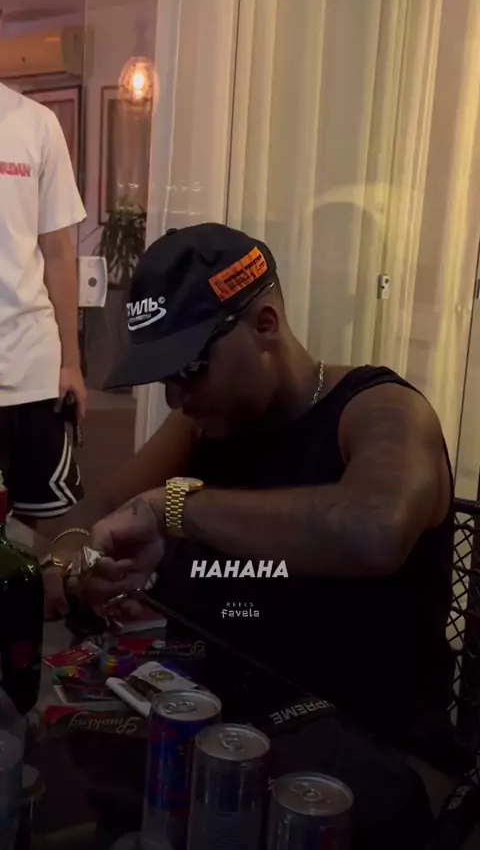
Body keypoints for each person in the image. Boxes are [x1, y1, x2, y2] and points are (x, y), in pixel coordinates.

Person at [42, 223, 456, 768]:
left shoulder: (382, 410)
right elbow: (91, 515)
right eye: (164, 378)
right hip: (220, 727)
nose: (177, 398)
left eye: (191, 370)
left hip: (365, 754)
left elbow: (373, 530)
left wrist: (173, 508)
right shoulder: (205, 421)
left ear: (265, 325)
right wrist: (78, 560)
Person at [0, 9, 86, 528]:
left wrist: (71, 362)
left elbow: (57, 250)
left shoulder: (36, 124)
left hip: (31, 365)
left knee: (32, 527)